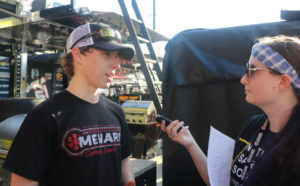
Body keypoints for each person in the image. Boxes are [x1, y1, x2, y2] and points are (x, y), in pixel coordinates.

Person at [3, 22, 136, 186]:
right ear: (78, 54)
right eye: (107, 54)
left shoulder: (116, 112)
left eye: (117, 56)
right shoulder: (44, 117)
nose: (117, 64)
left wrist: (129, 180)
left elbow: (123, 160)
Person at [161, 35, 300, 186]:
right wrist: (190, 144)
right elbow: (223, 182)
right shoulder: (255, 126)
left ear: (283, 81)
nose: (243, 79)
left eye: (252, 70)